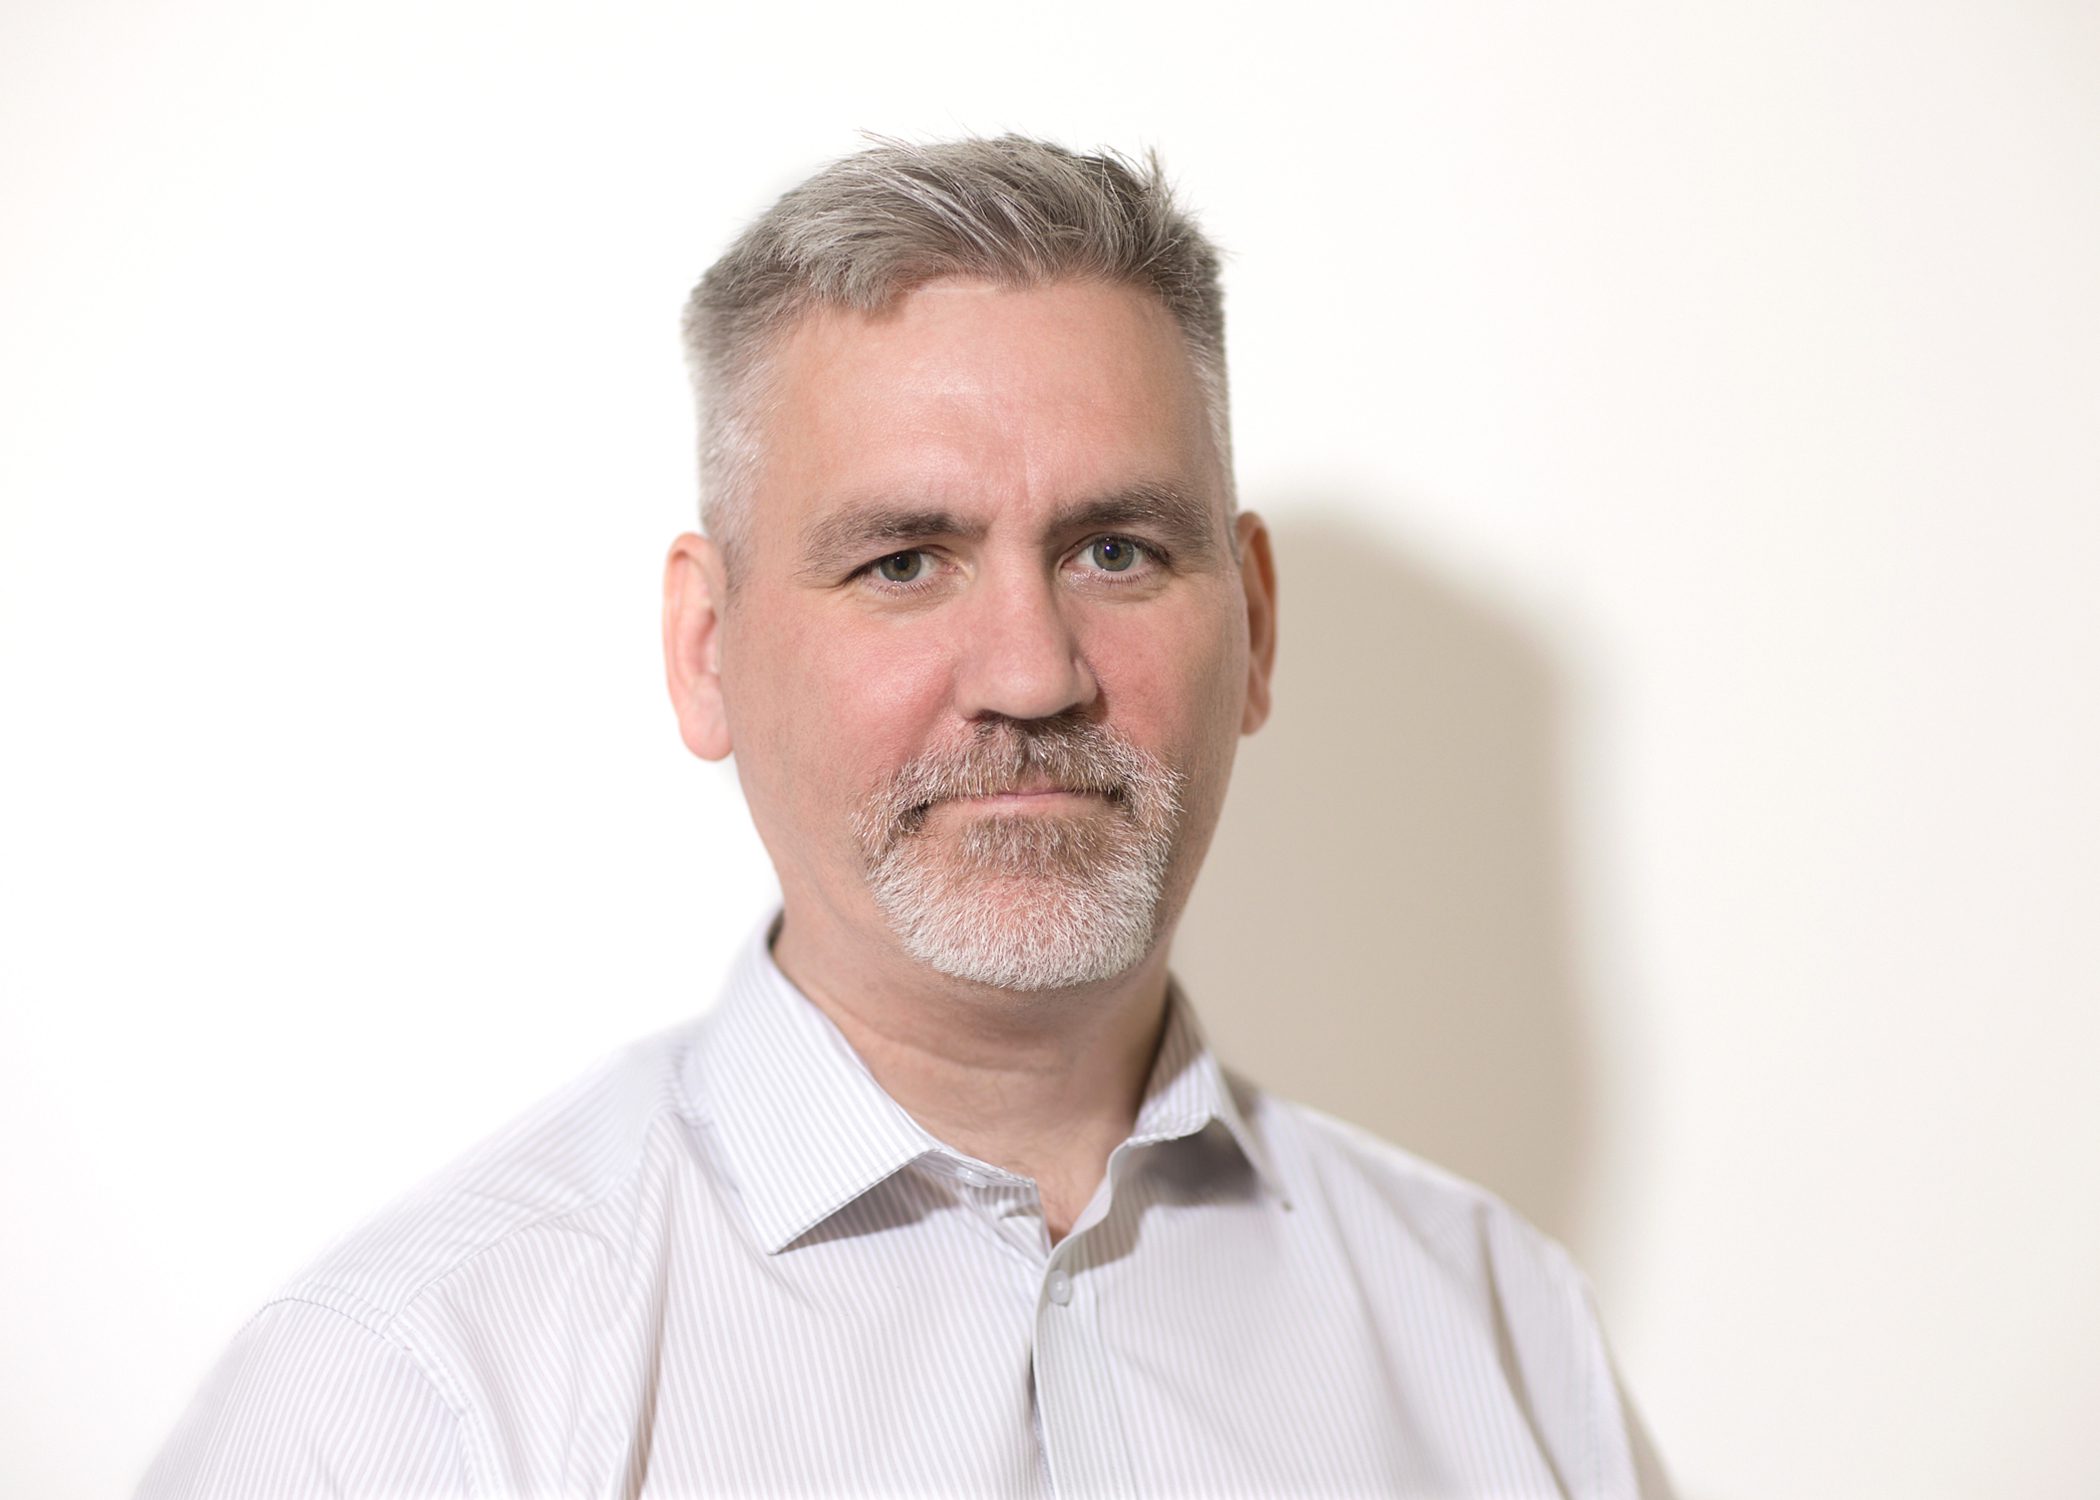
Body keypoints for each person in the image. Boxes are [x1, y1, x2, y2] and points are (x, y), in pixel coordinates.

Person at [138, 135, 1671, 1499]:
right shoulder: (406, 1402)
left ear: (1255, 625)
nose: (1030, 674)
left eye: (1118, 551)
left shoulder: (1503, 1334)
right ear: (706, 649)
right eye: (903, 562)